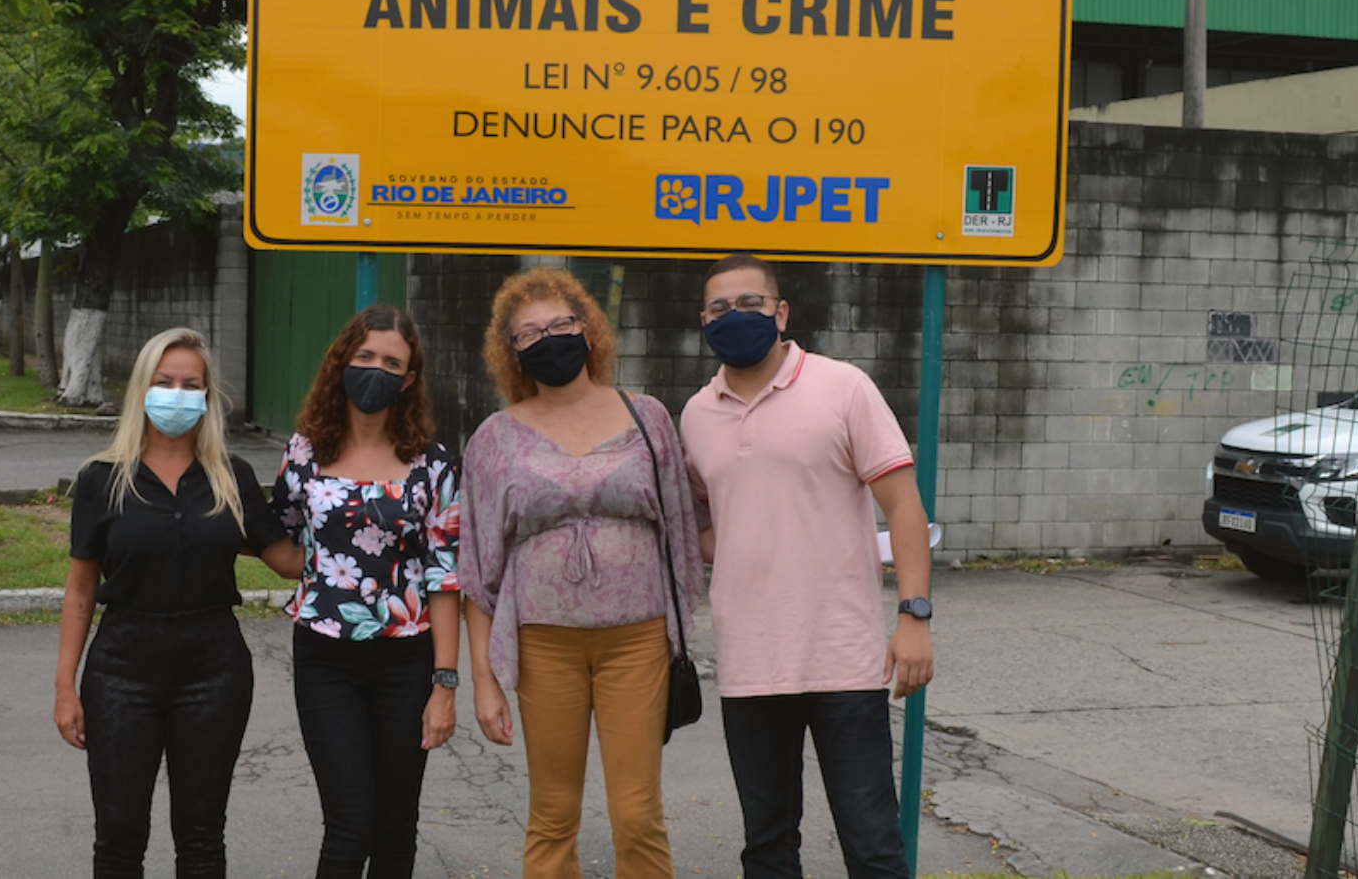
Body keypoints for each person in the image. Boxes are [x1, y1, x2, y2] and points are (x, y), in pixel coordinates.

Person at [677, 253, 935, 879]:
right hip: (749, 661)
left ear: (781, 312)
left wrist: (915, 615)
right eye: (719, 308)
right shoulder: (695, 416)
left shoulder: (842, 386)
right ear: (702, 320)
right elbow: (704, 529)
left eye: (750, 304)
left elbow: (902, 506)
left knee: (872, 842)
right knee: (766, 846)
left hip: (843, 657)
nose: (734, 317)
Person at [459, 267, 703, 879]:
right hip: (544, 642)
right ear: (511, 351)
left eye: (561, 324)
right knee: (552, 813)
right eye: (529, 333)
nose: (548, 338)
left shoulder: (647, 417)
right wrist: (485, 680)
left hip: (637, 638)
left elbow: (681, 528)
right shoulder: (495, 438)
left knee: (638, 813)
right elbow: (479, 568)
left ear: (588, 330)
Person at [54, 326, 304, 879]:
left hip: (213, 668)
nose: (178, 393)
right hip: (121, 668)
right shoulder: (102, 478)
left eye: (192, 384)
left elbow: (288, 560)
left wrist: (343, 499)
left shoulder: (231, 477)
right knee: (119, 834)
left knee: (200, 833)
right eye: (165, 381)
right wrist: (65, 686)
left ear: (208, 397)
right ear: (142, 387)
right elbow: (80, 588)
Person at [270, 304, 461, 879]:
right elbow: (279, 543)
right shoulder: (305, 452)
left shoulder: (433, 464)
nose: (377, 370)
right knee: (351, 824)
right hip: (326, 659)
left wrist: (445, 685)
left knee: (396, 827)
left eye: (392, 362)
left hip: (408, 658)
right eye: (366, 357)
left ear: (409, 379)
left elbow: (445, 576)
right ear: (342, 363)